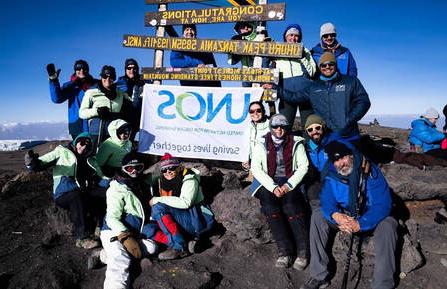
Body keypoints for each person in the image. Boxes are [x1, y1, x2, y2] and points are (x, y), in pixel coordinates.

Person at [301, 141, 397, 289]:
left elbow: (383, 204)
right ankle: (318, 276)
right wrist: (336, 215)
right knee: (318, 215)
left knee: (388, 225)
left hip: (369, 216)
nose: (341, 163)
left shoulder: (370, 172)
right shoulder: (332, 175)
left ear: (351, 156)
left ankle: (382, 284)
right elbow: (327, 201)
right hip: (345, 216)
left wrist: (361, 223)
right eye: (337, 160)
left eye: (344, 158)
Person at [251, 114, 309, 269]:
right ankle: (285, 251)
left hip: (290, 180)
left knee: (292, 207)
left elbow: (303, 166)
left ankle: (303, 251)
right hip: (269, 181)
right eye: (275, 126)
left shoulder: (296, 142)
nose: (279, 129)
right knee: (270, 208)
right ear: (271, 127)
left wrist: (288, 185)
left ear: (286, 127)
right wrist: (273, 187)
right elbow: (256, 167)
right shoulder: (261, 143)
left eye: (282, 126)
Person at [24, 133, 100, 249]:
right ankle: (82, 238)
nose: (83, 147)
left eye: (87, 146)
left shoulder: (88, 158)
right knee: (76, 197)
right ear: (76, 142)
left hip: (81, 191)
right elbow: (41, 163)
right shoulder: (62, 152)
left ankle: (100, 228)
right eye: (82, 143)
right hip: (63, 193)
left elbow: (99, 173)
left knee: (102, 194)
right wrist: (32, 162)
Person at [100, 152, 158, 289]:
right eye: (130, 168)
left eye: (138, 167)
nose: (134, 172)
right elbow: (112, 218)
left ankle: (104, 255)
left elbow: (163, 173)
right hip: (114, 231)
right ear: (123, 169)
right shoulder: (117, 188)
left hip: (134, 231)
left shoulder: (144, 183)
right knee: (121, 259)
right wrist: (125, 237)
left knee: (151, 247)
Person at [283, 52, 370, 142]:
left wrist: (349, 119)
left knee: (352, 156)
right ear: (320, 67)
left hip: (348, 135)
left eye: (330, 64)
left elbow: (363, 101)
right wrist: (276, 89)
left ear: (335, 65)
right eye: (323, 65)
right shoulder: (314, 86)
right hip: (325, 137)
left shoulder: (350, 81)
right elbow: (294, 97)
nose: (327, 67)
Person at [149, 153, 215, 260]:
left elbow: (186, 203)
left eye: (171, 168)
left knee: (158, 207)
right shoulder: (162, 181)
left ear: (179, 167)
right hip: (180, 219)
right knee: (146, 229)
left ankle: (179, 248)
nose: (168, 172)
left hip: (196, 220)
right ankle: (182, 241)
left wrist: (158, 199)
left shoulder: (189, 179)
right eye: (164, 170)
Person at [264, 24, 317, 128]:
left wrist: (302, 57)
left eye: (296, 35)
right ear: (285, 37)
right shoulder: (277, 49)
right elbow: (265, 65)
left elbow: (312, 72)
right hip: (285, 93)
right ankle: (286, 144)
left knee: (309, 126)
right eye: (290, 35)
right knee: (284, 125)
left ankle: (308, 144)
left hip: (305, 93)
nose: (293, 38)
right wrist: (266, 47)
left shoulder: (305, 50)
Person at [79, 65, 132, 146]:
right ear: (101, 77)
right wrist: (97, 111)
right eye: (105, 76)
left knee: (112, 156)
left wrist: (139, 87)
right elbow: (82, 113)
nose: (107, 79)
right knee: (95, 156)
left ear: (114, 79)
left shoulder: (120, 93)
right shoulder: (91, 92)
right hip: (96, 131)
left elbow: (133, 101)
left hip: (114, 132)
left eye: (111, 77)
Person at [47, 60, 97, 139]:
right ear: (75, 71)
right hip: (76, 125)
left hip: (94, 125)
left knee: (95, 150)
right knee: (80, 150)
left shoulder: (95, 85)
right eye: (78, 69)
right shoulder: (70, 86)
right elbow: (57, 99)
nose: (81, 71)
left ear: (88, 70)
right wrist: (54, 80)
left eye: (84, 68)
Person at [91, 119, 133, 186]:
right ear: (114, 132)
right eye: (120, 133)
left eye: (126, 132)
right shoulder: (108, 145)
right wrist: (103, 177)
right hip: (111, 173)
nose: (123, 135)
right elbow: (98, 163)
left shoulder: (129, 143)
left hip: (125, 171)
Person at [116, 58, 149, 140]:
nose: (132, 70)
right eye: (129, 68)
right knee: (122, 142)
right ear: (125, 69)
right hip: (124, 118)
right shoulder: (120, 83)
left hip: (139, 118)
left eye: (134, 68)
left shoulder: (144, 81)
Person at [242, 101, 270, 170]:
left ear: (263, 111)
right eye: (252, 111)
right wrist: (245, 164)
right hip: (253, 168)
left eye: (258, 110)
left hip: (268, 168)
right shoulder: (248, 128)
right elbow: (246, 148)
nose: (255, 113)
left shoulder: (271, 127)